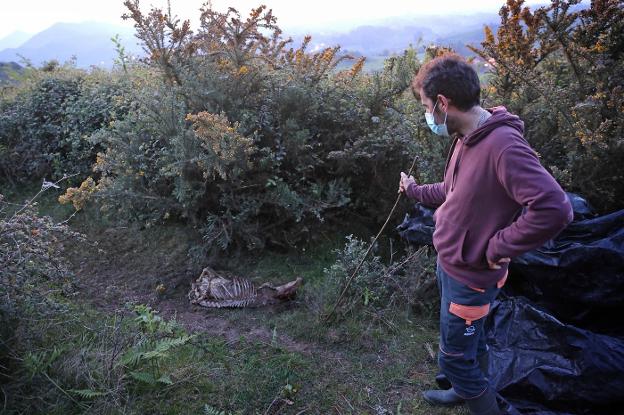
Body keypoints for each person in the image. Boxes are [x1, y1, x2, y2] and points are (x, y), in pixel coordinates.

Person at [398, 54, 573, 415]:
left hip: (472, 275)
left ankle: (475, 397)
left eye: (428, 107)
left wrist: (498, 246)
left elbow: (555, 207)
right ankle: (462, 393)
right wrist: (414, 190)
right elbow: (452, 190)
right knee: (469, 343)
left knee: (457, 356)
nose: (429, 116)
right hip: (451, 264)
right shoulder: (466, 136)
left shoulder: (503, 146)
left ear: (444, 104)